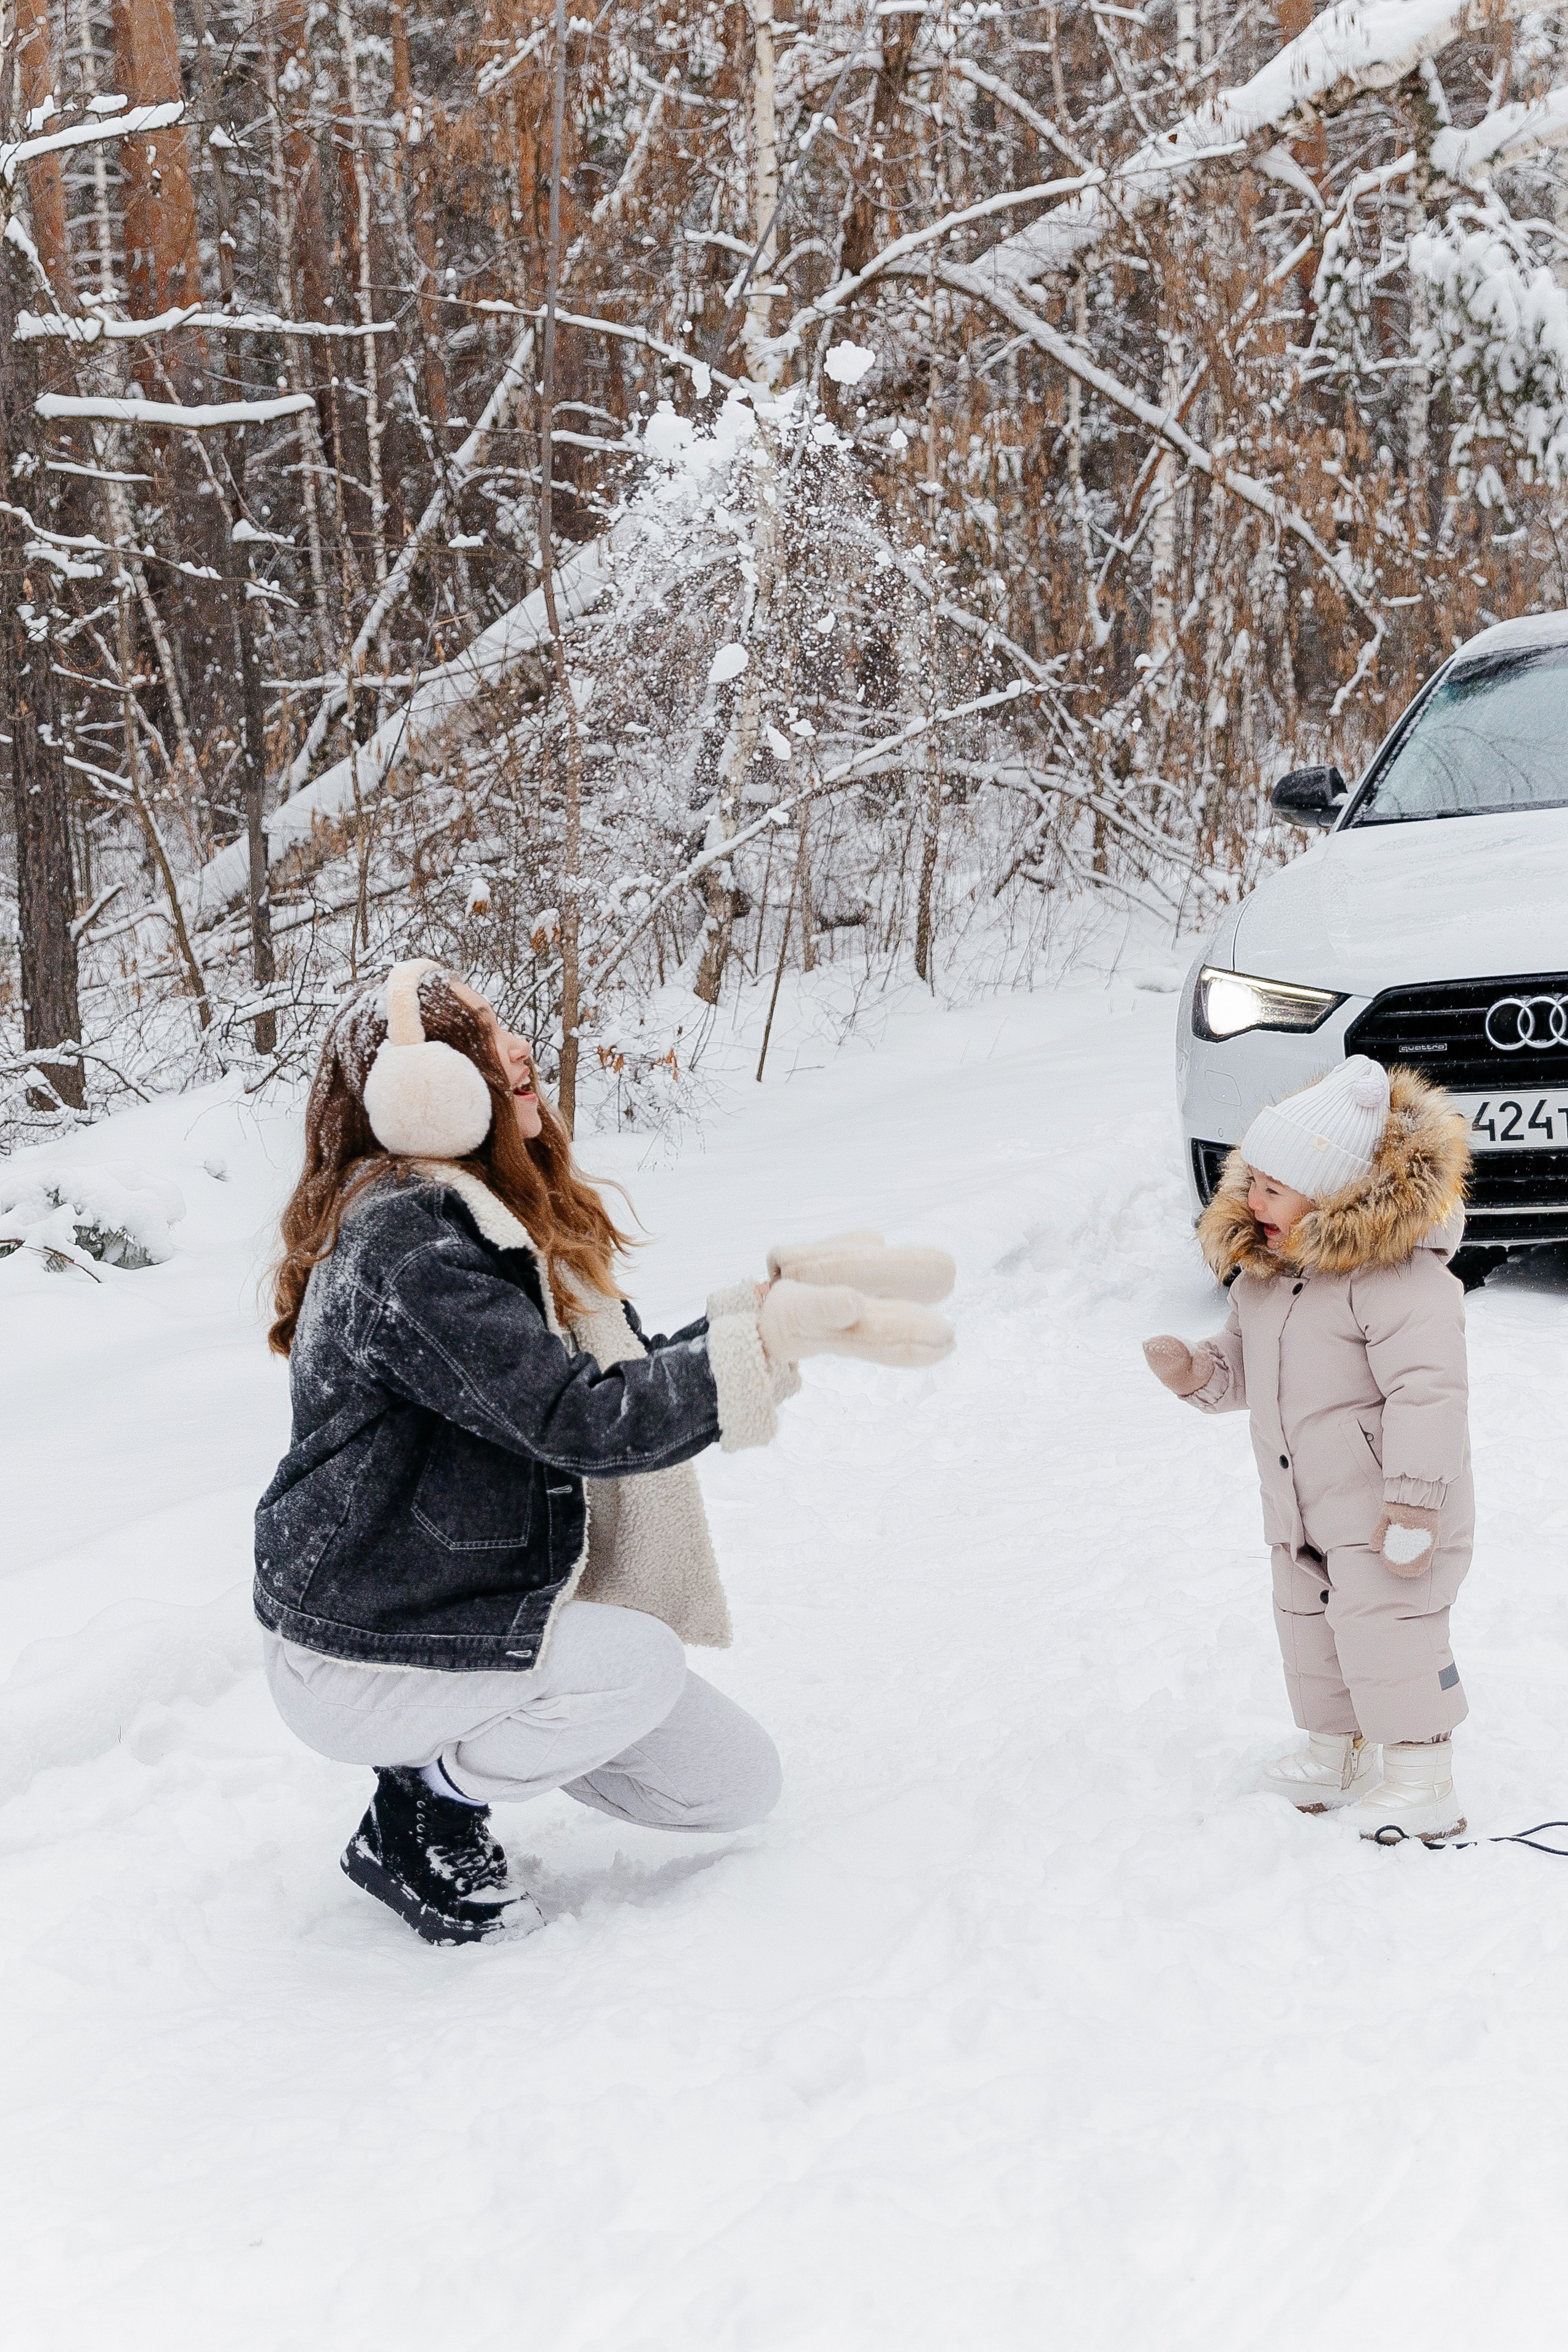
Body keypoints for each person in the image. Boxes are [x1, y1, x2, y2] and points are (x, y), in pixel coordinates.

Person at [257, 958, 955, 1942]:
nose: (519, 1051)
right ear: (429, 1096)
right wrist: (757, 1348)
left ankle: (465, 1749)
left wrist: (758, 1321)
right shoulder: (409, 1246)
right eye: (485, 1041)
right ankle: (423, 1812)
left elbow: (594, 1384)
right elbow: (582, 1421)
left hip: (463, 1617)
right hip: (367, 1649)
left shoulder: (485, 1222)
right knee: (632, 1663)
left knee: (731, 1785)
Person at [1143, 1055, 1473, 1843]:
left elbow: (1429, 1393)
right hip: (1301, 1505)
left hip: (1391, 1508)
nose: (1251, 1199)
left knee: (1389, 1627)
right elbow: (1243, 1371)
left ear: (1329, 1193)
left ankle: (1423, 1775)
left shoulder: (1399, 1281)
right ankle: (1335, 1751)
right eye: (1249, 1180)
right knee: (1309, 1623)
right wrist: (1200, 1374)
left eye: (1271, 1188)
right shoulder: (1261, 1281)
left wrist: (1415, 1501)